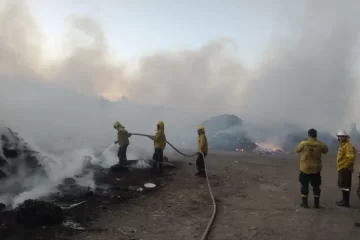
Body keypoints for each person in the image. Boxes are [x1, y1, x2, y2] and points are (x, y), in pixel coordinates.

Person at [295, 128, 328, 208]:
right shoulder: (320, 144)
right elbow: (326, 150)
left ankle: (305, 203)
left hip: (305, 168)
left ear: (308, 135)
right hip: (316, 169)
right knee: (316, 186)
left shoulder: (304, 143)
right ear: (316, 135)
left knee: (304, 185)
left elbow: (297, 150)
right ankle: (316, 204)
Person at [336, 130, 355, 208]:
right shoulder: (342, 145)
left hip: (345, 169)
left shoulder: (347, 145)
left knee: (346, 186)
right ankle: (344, 200)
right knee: (343, 185)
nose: (340, 138)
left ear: (345, 137)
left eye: (341, 137)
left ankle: (346, 203)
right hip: (342, 168)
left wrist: (345, 167)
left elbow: (350, 158)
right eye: (339, 137)